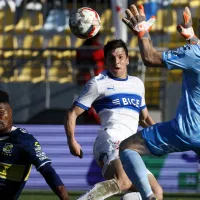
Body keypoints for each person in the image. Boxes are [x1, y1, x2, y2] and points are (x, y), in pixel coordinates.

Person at [119, 4, 200, 200]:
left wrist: (142, 32)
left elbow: (149, 57)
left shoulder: (194, 54)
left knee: (127, 147)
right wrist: (192, 38)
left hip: (187, 129)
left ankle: (149, 196)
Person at [64, 39, 163, 200]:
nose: (116, 62)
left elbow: (144, 118)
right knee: (122, 181)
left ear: (128, 59)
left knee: (156, 193)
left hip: (130, 147)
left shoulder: (137, 84)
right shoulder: (98, 83)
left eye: (120, 57)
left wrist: (161, 136)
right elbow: (72, 113)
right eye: (111, 58)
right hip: (109, 139)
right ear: (106, 61)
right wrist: (71, 141)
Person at [0, 89, 69, 200]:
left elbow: (47, 170)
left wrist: (64, 198)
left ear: (10, 112)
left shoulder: (24, 141)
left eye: (1, 113)